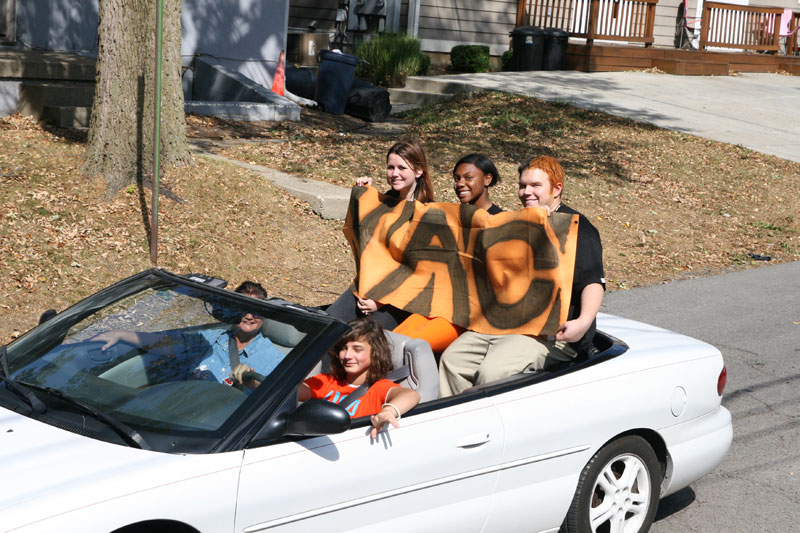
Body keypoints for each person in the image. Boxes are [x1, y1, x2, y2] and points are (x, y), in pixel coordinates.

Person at [438, 155, 605, 397]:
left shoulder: (576, 228)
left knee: (492, 373)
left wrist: (582, 322)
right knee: (452, 361)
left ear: (557, 188)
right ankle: (457, 421)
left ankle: (488, 429)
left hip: (550, 335)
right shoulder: (518, 222)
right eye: (522, 185)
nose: (527, 192)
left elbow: (592, 282)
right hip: (506, 324)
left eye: (536, 186)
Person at [393, 153, 503, 352]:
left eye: (468, 177)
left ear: (488, 179)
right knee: (391, 342)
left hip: (468, 314)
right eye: (457, 179)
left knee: (406, 348)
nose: (460, 183)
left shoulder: (502, 222)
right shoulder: (447, 216)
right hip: (435, 305)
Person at [92, 281, 285, 389]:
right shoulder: (209, 338)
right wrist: (121, 333)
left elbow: (293, 395)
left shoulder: (273, 357)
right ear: (232, 310)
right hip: (180, 407)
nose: (250, 316)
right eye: (244, 309)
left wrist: (255, 381)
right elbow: (165, 343)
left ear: (265, 314)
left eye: (257, 310)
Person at [327, 139, 435, 330]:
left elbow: (419, 270)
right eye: (390, 167)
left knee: (362, 336)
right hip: (366, 287)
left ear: (419, 171)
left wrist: (381, 302)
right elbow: (358, 232)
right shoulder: (383, 204)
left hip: (401, 299)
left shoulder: (427, 213)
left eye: (402, 168)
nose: (394, 174)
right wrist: (362, 192)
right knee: (326, 327)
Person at [298, 318, 421, 438]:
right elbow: (291, 392)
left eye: (357, 349)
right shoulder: (327, 381)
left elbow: (411, 395)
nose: (347, 356)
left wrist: (388, 411)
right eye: (343, 348)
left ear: (375, 352)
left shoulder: (379, 388)